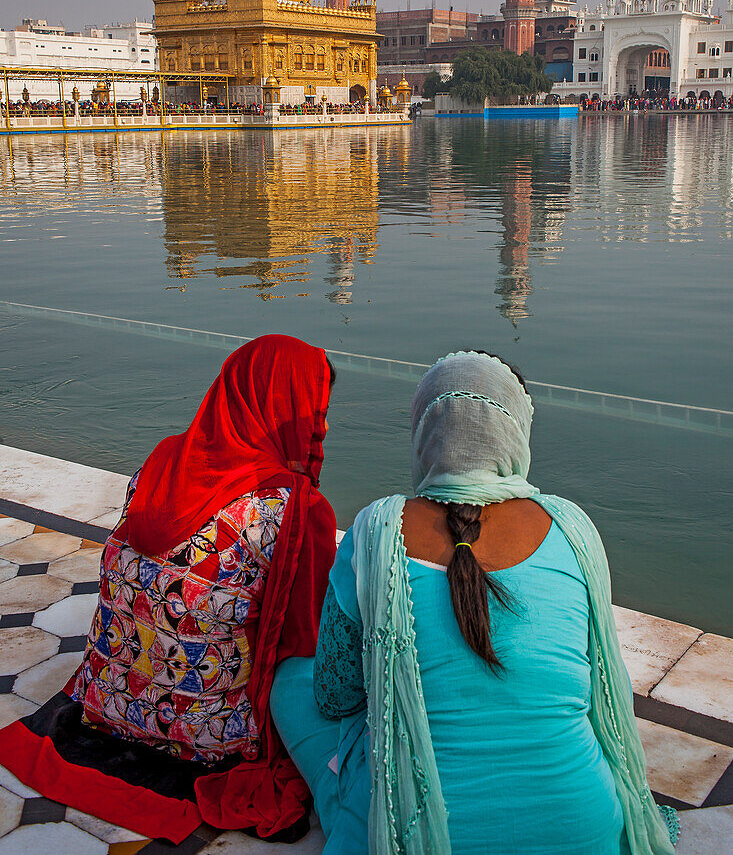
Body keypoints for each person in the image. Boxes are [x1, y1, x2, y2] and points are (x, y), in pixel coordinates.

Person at [271, 351, 679, 854]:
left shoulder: (376, 531)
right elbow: (594, 689)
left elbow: (335, 696)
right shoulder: (573, 528)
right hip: (585, 832)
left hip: (414, 837)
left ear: (424, 433)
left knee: (290, 684)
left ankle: (346, 811)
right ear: (516, 434)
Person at [0, 334, 337, 845]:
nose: (323, 426)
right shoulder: (295, 512)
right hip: (212, 736)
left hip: (105, 701)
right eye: (315, 409)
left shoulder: (161, 462)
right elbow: (306, 640)